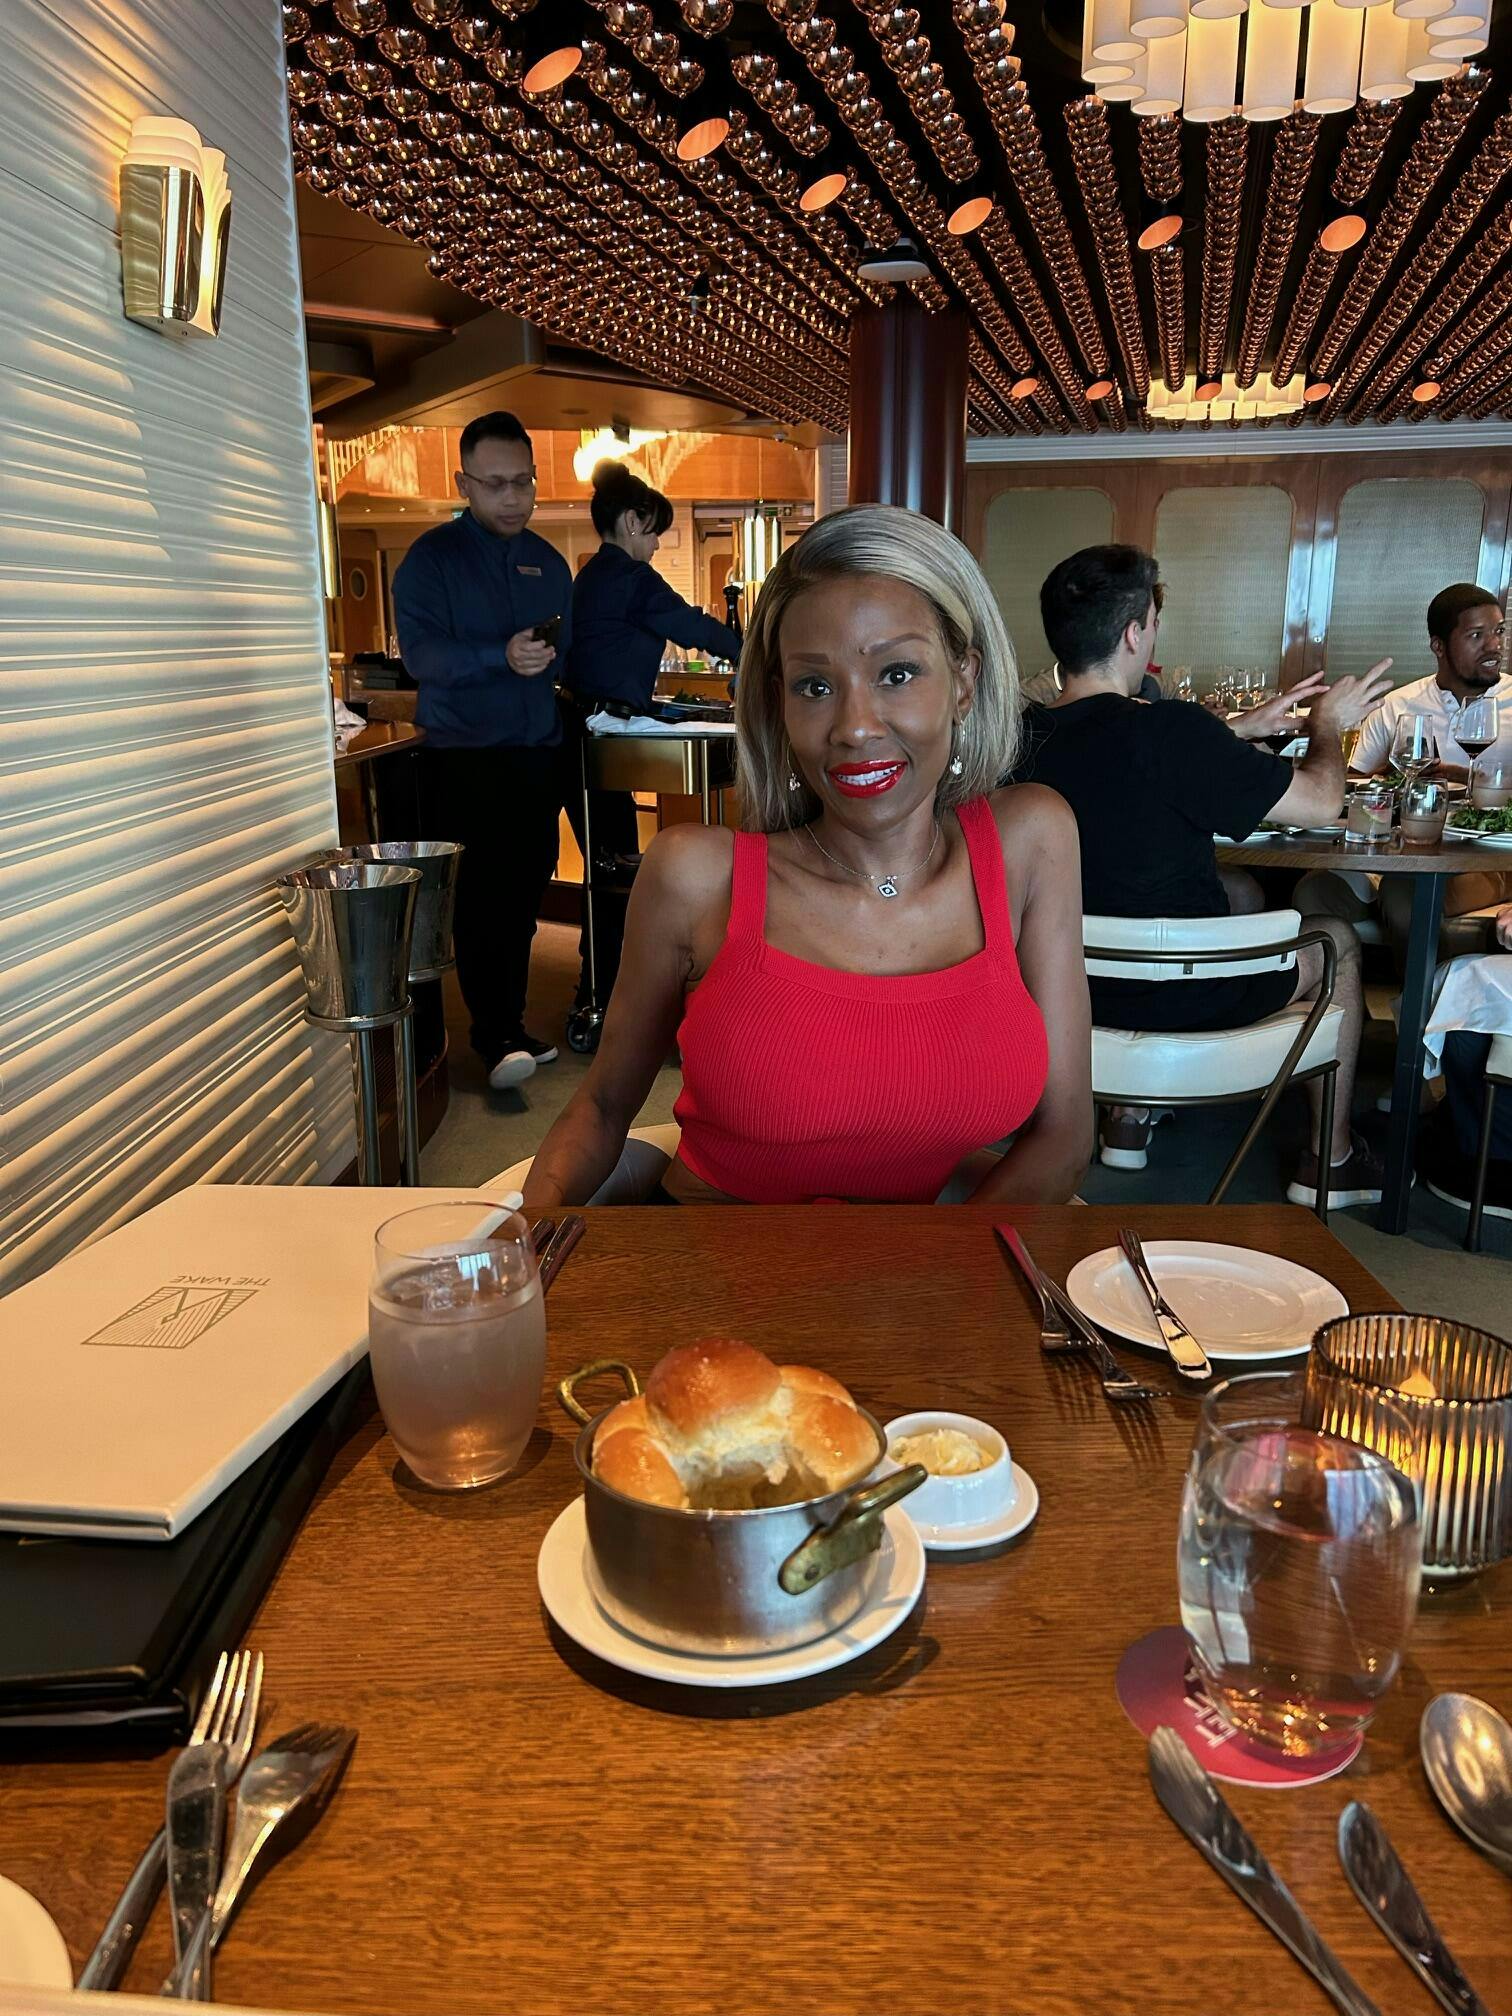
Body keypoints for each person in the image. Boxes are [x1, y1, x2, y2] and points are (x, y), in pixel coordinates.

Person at [522, 504, 1092, 1208]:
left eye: (897, 673)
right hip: (707, 1265)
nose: (854, 728)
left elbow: (1064, 1135)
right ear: (780, 704)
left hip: (923, 1272)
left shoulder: (1031, 840)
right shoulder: (697, 876)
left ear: (965, 681)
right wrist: (526, 1242)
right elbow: (604, 1106)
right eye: (815, 687)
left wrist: (931, 1273)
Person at [1012, 543, 1393, 1208]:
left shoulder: (1016, 737)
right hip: (1179, 999)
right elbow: (1320, 801)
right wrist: (1328, 726)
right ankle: (1329, 1162)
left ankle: (1127, 1117)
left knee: (1238, 892)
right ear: (1135, 634)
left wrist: (1234, 730)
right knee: (1336, 939)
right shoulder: (1173, 731)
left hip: (1057, 995)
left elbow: (1114, 750)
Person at [393, 412, 572, 1092]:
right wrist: (499, 655)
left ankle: (512, 1024)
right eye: (496, 484)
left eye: (524, 481)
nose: (513, 497)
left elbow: (565, 655)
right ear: (463, 482)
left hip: (534, 752)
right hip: (463, 755)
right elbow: (422, 657)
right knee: (480, 900)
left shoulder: (548, 563)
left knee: (524, 894)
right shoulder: (432, 559)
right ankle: (492, 1036)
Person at [561, 460, 743, 1019]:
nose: (658, 543)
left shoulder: (591, 575)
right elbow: (692, 627)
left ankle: (599, 991)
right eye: (655, 530)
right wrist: (754, 651)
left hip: (574, 729)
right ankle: (609, 999)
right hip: (601, 735)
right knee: (615, 866)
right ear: (632, 521)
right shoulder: (630, 577)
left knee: (604, 864)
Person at [1307, 584, 1512, 961]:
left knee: (1404, 894)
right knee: (1314, 893)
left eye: (1498, 631)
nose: (1494, 645)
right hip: (1393, 852)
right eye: (1476, 635)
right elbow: (1350, 787)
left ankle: (1422, 998)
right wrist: (1388, 777)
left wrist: (1453, 773)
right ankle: (1348, 994)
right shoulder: (1398, 705)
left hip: (1488, 860)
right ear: (1438, 646)